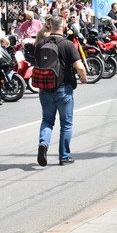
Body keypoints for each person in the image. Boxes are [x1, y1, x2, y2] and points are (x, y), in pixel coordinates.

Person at [35, 15, 87, 167]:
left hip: (44, 88)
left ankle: (43, 143)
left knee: (47, 120)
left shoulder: (40, 43)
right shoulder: (68, 44)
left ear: (50, 26)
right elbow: (79, 67)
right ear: (63, 27)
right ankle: (64, 156)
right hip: (63, 89)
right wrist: (84, 78)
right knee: (66, 124)